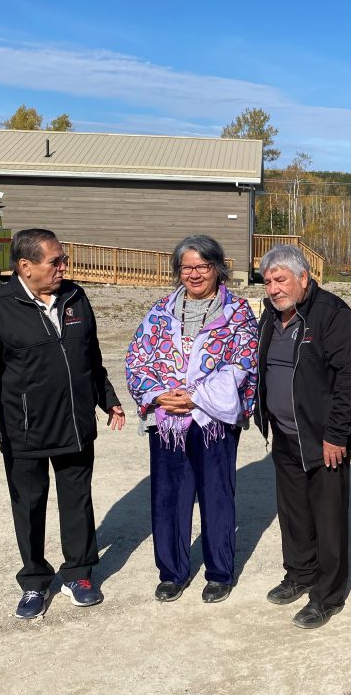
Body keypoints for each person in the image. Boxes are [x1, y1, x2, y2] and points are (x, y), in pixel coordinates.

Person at [0, 228, 125, 620]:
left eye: (63, 259)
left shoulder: (75, 297)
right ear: (25, 266)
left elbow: (91, 358)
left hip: (75, 425)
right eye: (56, 261)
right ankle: (34, 581)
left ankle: (79, 575)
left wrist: (107, 399)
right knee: (29, 507)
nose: (64, 267)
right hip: (25, 431)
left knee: (78, 503)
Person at [125, 235, 258, 604]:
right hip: (167, 419)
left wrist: (196, 396)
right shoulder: (160, 311)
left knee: (216, 497)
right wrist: (156, 395)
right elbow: (138, 358)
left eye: (203, 266)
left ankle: (219, 573)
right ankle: (172, 572)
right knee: (169, 497)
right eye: (187, 267)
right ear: (177, 271)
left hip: (212, 421)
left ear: (218, 268)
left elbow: (242, 364)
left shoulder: (238, 312)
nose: (195, 274)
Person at [253, 244, 351, 629]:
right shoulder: (270, 317)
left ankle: (328, 595)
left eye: (280, 279)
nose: (272, 288)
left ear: (303, 278)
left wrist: (337, 434)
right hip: (284, 434)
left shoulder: (333, 315)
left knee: (328, 519)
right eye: (267, 281)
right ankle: (299, 574)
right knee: (294, 514)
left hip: (323, 439)